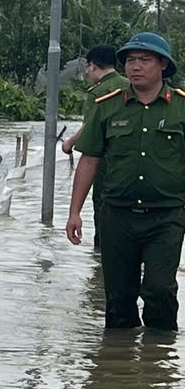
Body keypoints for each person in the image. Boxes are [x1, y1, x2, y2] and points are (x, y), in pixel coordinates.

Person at [66, 32, 185, 330]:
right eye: (131, 60)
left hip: (167, 215)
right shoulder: (107, 106)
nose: (135, 67)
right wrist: (74, 212)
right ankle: (117, 367)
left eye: (145, 60)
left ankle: (158, 362)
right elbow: (89, 160)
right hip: (117, 215)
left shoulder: (181, 108)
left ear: (163, 65)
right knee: (118, 298)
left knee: (160, 290)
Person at [61, 44, 129, 250]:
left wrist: (70, 142)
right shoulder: (129, 85)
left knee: (102, 205)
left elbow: (91, 127)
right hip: (130, 159)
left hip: (104, 159)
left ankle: (101, 258)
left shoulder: (98, 92)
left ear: (92, 66)